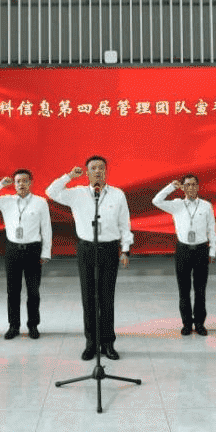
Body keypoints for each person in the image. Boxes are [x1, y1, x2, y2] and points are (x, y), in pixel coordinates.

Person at [47, 155, 132, 361]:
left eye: (101, 168)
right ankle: (91, 343)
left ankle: (108, 343)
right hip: (86, 249)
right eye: (93, 168)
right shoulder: (77, 194)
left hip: (109, 249)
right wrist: (69, 176)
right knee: (89, 298)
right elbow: (51, 192)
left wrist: (125, 249)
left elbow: (124, 223)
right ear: (87, 173)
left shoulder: (117, 195)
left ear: (106, 171)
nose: (98, 171)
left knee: (107, 298)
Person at [0, 169, 52, 339]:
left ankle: (33, 325)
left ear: (31, 182)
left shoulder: (40, 202)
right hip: (13, 250)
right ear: (14, 184)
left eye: (25, 181)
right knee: (13, 291)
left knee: (33, 291)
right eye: (18, 181)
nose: (21, 184)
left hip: (33, 250)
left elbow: (46, 228)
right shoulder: (6, 201)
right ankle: (14, 326)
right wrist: (0, 184)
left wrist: (46, 252)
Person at [152, 175, 216, 336]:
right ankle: (187, 323)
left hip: (201, 249)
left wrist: (213, 249)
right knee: (184, 289)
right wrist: (171, 187)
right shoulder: (177, 205)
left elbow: (212, 228)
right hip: (183, 250)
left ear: (198, 186)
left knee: (200, 290)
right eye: (187, 185)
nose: (191, 188)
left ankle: (200, 323)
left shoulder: (206, 206)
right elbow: (156, 201)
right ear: (183, 188)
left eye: (194, 184)